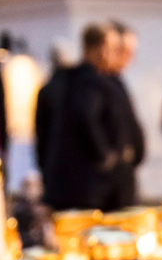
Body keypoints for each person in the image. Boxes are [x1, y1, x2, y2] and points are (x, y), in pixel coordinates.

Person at [44, 24, 122, 211]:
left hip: (64, 181)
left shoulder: (68, 79)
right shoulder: (89, 80)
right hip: (83, 184)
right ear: (100, 49)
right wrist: (104, 155)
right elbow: (85, 115)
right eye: (111, 49)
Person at [104, 22, 145, 208]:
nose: (129, 57)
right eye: (125, 51)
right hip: (111, 178)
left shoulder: (116, 81)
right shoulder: (101, 83)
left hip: (123, 172)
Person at [35, 39, 77, 195]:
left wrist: (42, 162)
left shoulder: (46, 90)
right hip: (74, 161)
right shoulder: (78, 89)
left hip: (52, 159)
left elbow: (40, 131)